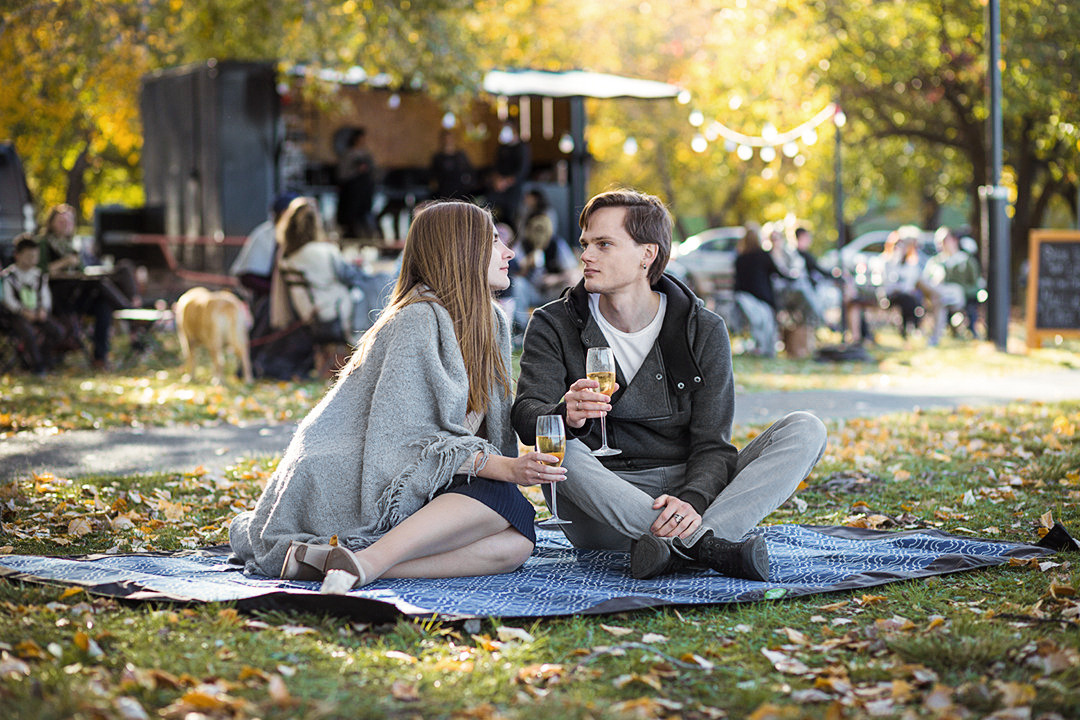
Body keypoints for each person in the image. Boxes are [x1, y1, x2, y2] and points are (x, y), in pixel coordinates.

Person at [230, 200, 563, 588]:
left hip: (425, 472)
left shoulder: (489, 322)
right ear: (461, 249)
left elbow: (475, 433)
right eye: (493, 241)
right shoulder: (417, 319)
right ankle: (367, 562)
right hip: (352, 474)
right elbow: (404, 441)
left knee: (516, 544)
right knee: (504, 502)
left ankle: (345, 564)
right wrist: (504, 468)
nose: (508, 252)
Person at [512, 189, 827, 582]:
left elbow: (712, 445)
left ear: (648, 254)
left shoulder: (703, 328)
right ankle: (707, 546)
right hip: (603, 505)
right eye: (585, 244)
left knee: (806, 428)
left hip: (689, 494)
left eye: (604, 244)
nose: (586, 256)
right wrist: (563, 414)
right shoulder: (553, 323)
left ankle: (676, 546)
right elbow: (527, 417)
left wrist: (693, 500)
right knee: (558, 447)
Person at [36, 204, 136, 368]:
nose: (66, 225)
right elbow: (37, 271)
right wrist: (64, 262)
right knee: (98, 283)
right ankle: (130, 312)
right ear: (51, 223)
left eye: (69, 222)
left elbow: (84, 269)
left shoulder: (75, 245)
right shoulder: (42, 244)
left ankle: (100, 358)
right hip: (57, 295)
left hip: (79, 293)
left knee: (103, 305)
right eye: (61, 221)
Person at [1, 235, 65, 372]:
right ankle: (37, 365)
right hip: (17, 315)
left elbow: (45, 296)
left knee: (58, 331)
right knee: (28, 333)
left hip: (37, 312)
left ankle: (44, 357)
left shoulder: (39, 275)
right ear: (17, 255)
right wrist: (22, 311)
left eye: (35, 256)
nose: (33, 260)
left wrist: (43, 310)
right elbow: (8, 299)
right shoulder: (9, 276)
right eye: (29, 256)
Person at [733, 223, 790, 357]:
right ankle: (767, 349)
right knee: (767, 318)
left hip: (744, 299)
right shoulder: (763, 256)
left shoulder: (739, 259)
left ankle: (759, 347)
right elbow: (780, 274)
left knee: (760, 319)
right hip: (762, 299)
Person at [229, 191, 299, 298]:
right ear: (284, 212)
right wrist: (277, 290)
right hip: (270, 302)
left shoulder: (300, 236)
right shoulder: (265, 235)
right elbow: (247, 277)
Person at [922, 227, 982, 342]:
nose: (941, 244)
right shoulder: (935, 262)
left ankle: (935, 337)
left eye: (944, 240)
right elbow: (927, 280)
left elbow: (975, 284)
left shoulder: (965, 260)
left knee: (941, 299)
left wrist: (963, 291)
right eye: (938, 242)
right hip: (938, 293)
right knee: (939, 298)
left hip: (958, 295)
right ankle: (936, 337)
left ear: (954, 240)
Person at [336, 127, 377, 239]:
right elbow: (342, 174)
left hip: (365, 194)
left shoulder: (366, 154)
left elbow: (373, 171)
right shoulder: (348, 154)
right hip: (352, 193)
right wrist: (356, 170)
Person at [488, 121, 531, 226]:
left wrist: (506, 182)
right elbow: (495, 166)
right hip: (498, 189)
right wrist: (497, 180)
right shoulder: (501, 148)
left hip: (514, 191)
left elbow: (522, 170)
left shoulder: (522, 148)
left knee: (511, 217)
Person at [429, 129, 475, 200]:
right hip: (444, 190)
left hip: (460, 189)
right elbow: (433, 175)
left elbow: (469, 171)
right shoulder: (438, 157)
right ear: (442, 140)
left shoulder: (461, 156)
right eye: (446, 139)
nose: (448, 141)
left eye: (449, 139)